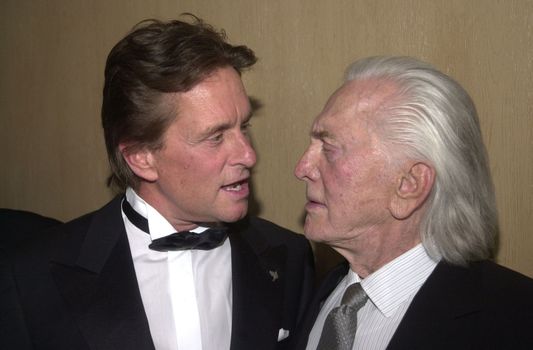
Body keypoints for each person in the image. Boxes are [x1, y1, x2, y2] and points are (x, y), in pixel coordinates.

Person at [1, 16, 314, 350]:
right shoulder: (30, 278)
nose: (249, 156)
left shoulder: (289, 259)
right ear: (141, 157)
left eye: (244, 127)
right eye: (216, 136)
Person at [292, 56, 533, 350]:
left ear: (409, 186)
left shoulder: (515, 323)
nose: (302, 168)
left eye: (329, 149)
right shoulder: (309, 293)